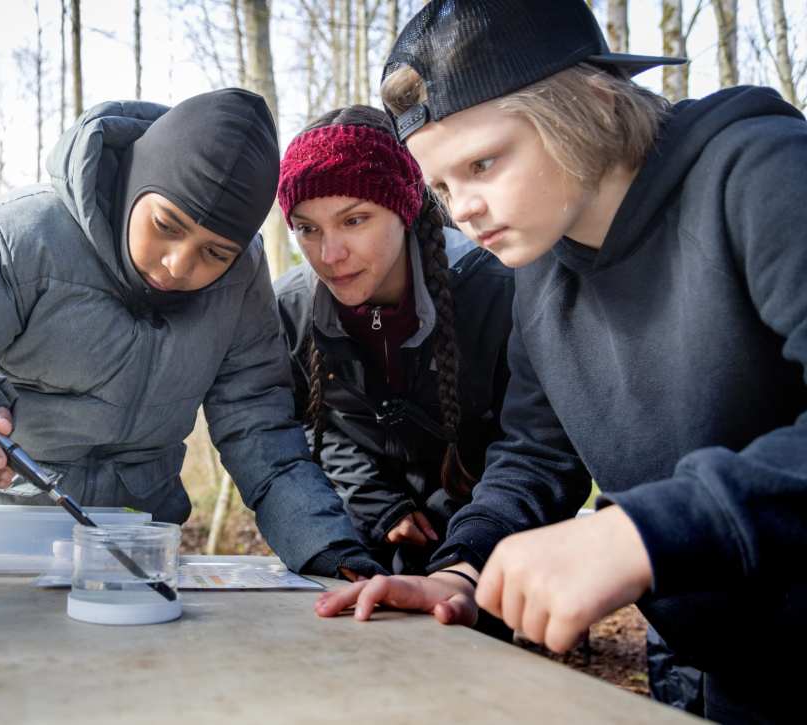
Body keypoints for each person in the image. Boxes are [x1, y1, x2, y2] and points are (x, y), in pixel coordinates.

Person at [315, 1, 807, 721]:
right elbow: (535, 457)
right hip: (724, 669)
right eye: (444, 187)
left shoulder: (763, 174)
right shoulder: (541, 270)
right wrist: (463, 570)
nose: (465, 210)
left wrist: (639, 530)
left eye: (484, 162)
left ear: (592, 100)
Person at [0, 88, 383, 581]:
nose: (179, 265)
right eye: (167, 226)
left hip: (136, 555)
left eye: (214, 253)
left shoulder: (240, 279)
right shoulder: (19, 239)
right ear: (136, 186)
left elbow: (259, 428)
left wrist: (327, 551)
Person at [272, 106, 514, 582]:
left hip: (482, 543)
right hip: (359, 535)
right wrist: (378, 504)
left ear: (404, 210)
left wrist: (456, 531)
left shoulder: (496, 290)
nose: (330, 254)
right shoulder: (292, 308)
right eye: (307, 228)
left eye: (355, 220)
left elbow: (529, 439)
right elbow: (299, 426)